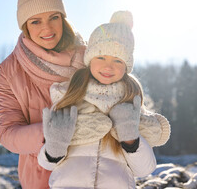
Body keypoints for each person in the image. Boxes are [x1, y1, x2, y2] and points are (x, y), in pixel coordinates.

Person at [38, 11, 171, 188]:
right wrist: (55, 146)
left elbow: (144, 169)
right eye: (100, 57)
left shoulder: (131, 103)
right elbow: (47, 164)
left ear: (126, 66)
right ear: (89, 59)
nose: (108, 66)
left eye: (118, 60)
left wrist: (131, 138)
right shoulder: (69, 98)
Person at [0, 0, 86, 189]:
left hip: (94, 169)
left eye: (53, 17)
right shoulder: (9, 71)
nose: (47, 28)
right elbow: (8, 134)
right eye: (36, 21)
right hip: (43, 176)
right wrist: (50, 131)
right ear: (25, 26)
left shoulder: (91, 57)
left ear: (63, 18)